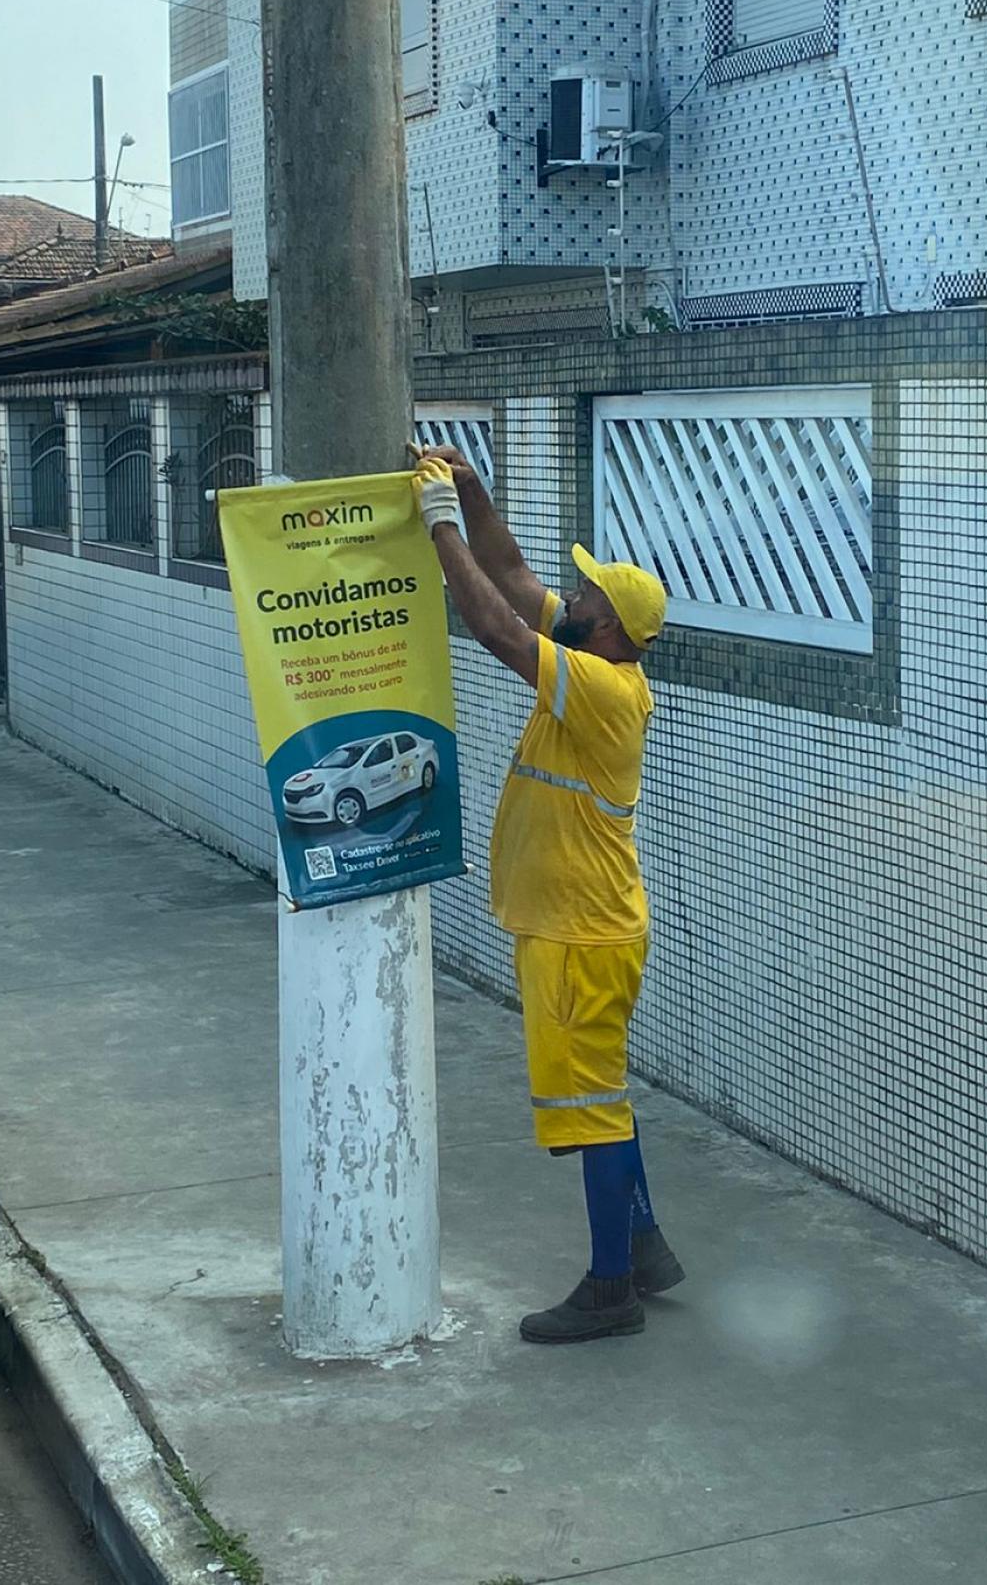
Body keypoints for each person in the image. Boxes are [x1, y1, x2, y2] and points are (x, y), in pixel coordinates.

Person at [412, 445, 684, 1345]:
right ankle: (640, 1243)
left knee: (593, 1105)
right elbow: (515, 574)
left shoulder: (603, 688)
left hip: (580, 934)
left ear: (609, 630)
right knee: (601, 1094)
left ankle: (612, 1288)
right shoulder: (596, 645)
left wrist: (438, 523)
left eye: (590, 599)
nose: (575, 599)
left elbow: (494, 625)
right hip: (579, 923)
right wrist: (474, 497)